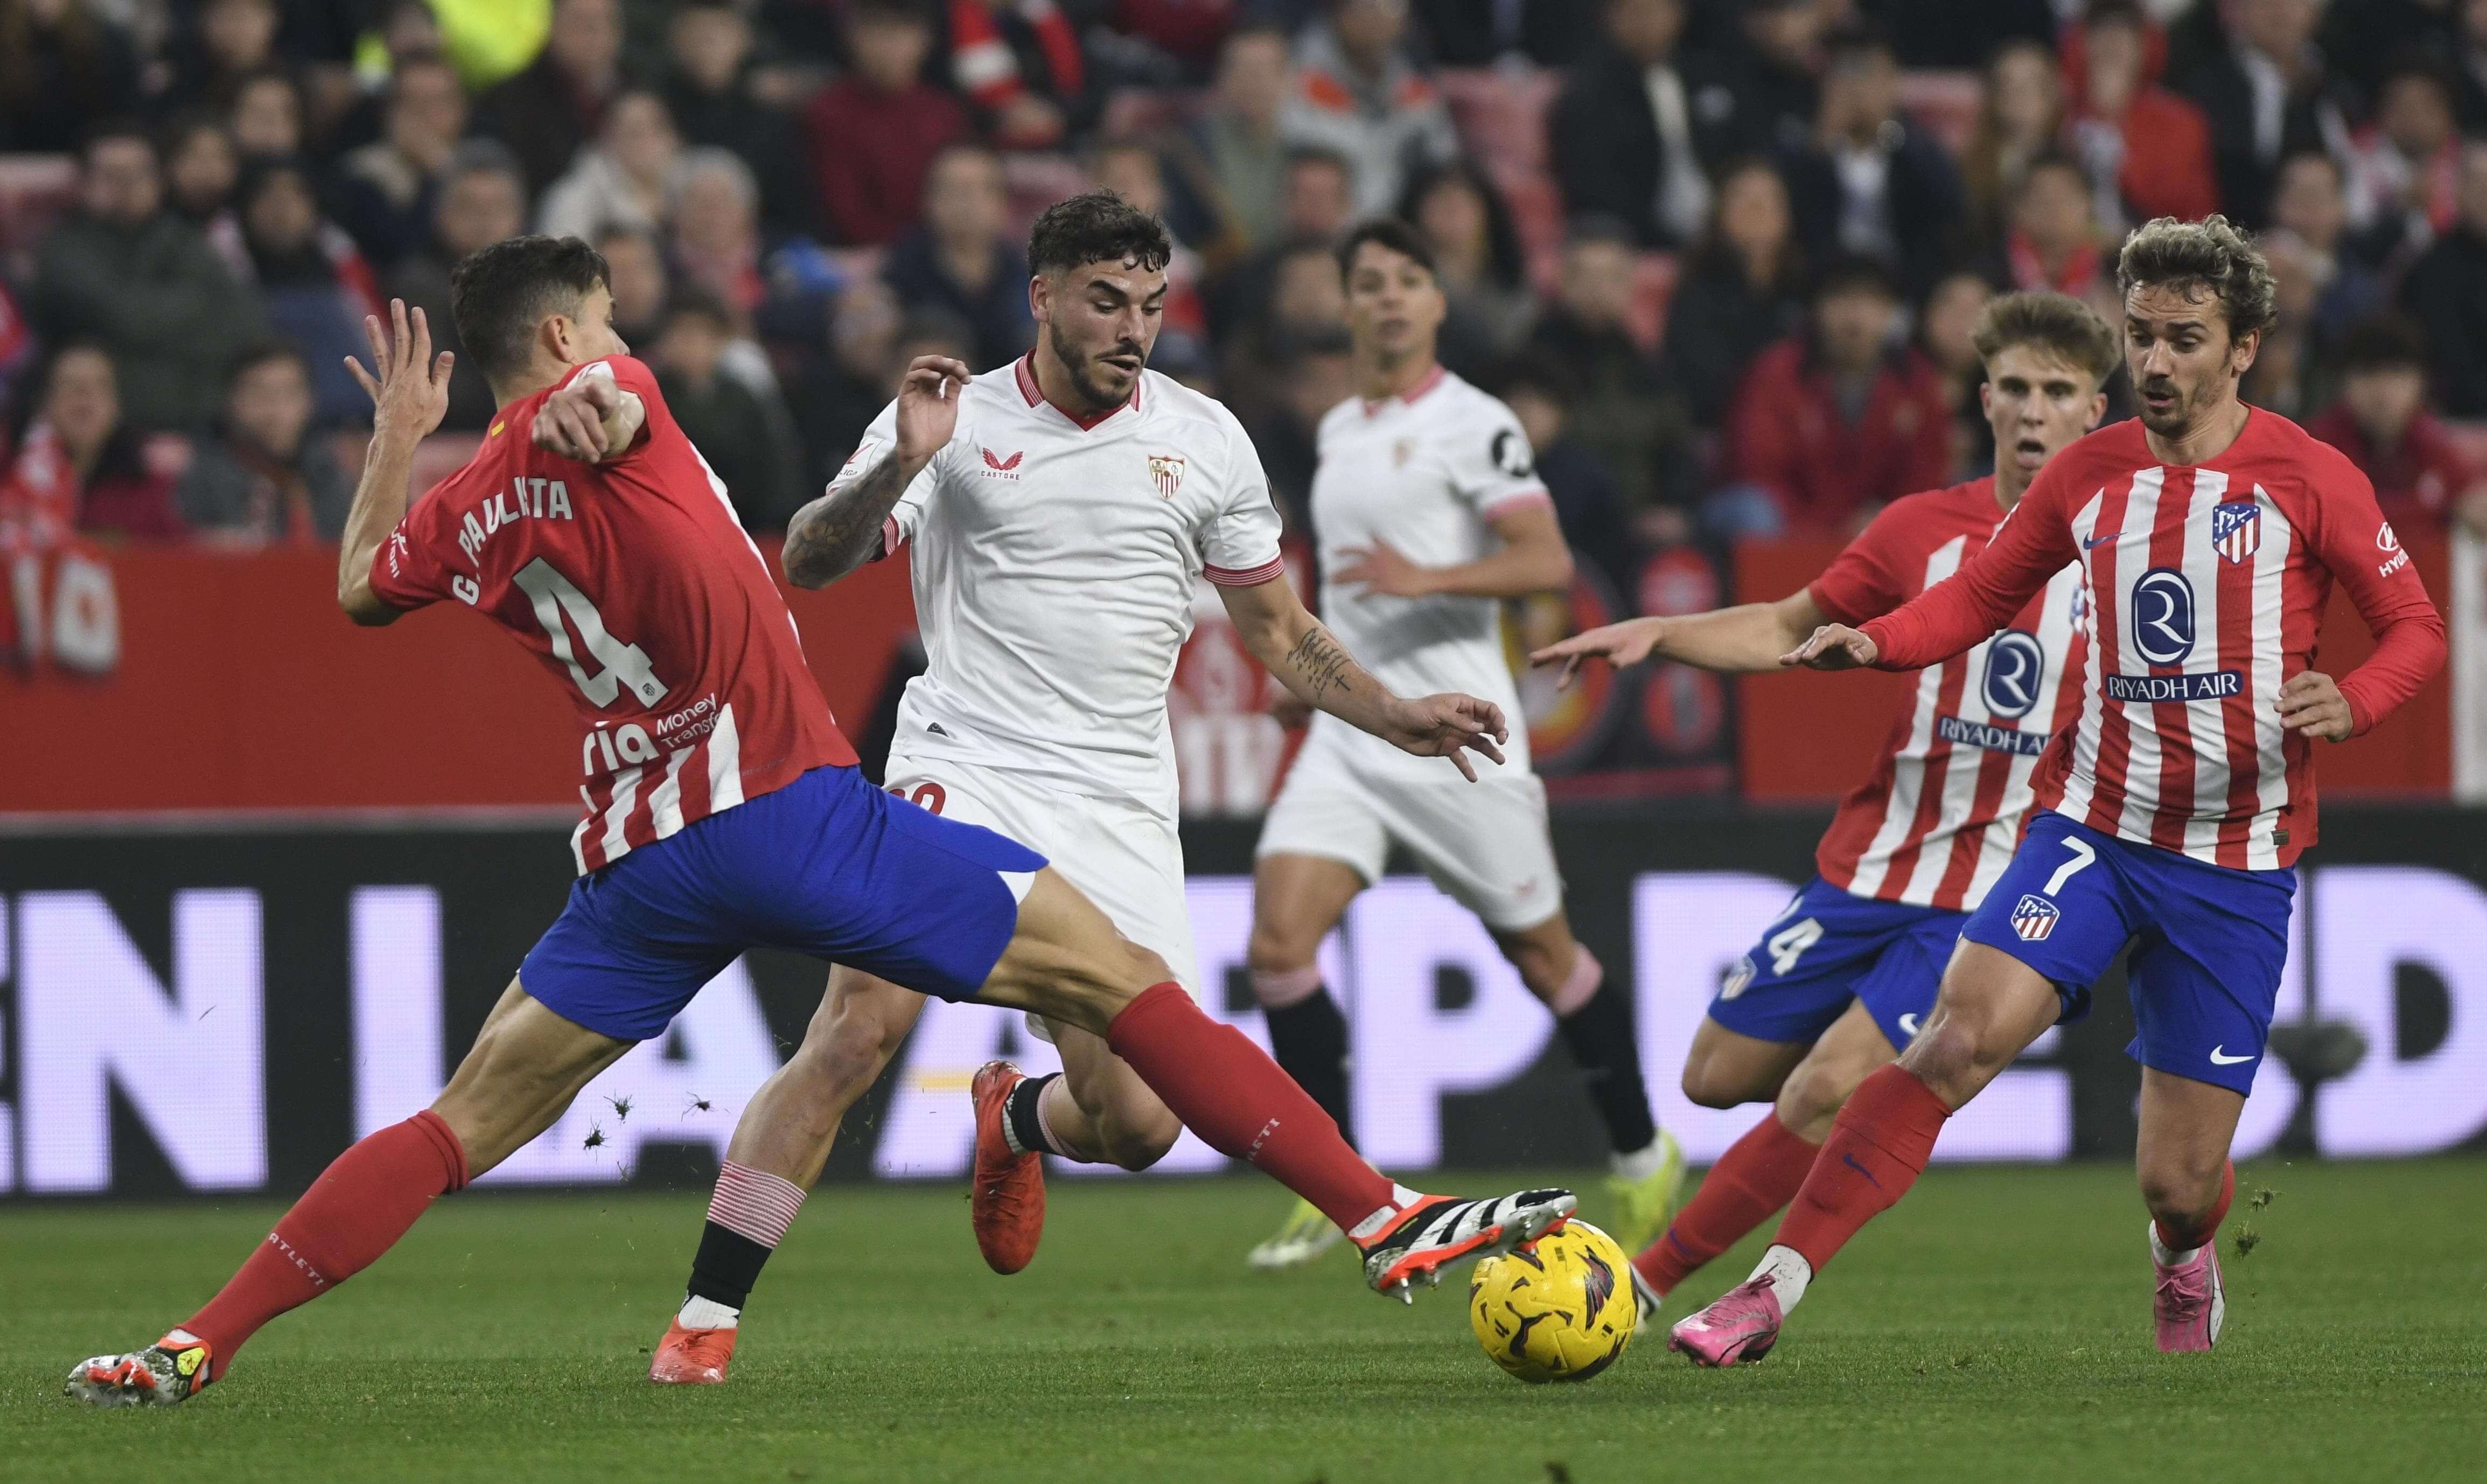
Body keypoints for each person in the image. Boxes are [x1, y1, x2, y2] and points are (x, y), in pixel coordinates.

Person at [65, 236, 1570, 1408]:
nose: (624, 342)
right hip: (787, 811)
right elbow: (595, 410)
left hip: (641, 855)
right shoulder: (615, 396)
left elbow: (357, 586)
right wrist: (584, 405)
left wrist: (403, 431)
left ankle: (196, 1342)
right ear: (562, 337)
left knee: (461, 1121)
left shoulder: (465, 504)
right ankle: (1383, 1219)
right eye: (605, 318)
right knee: (1119, 982)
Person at [638, 193, 1570, 1385]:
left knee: (1135, 1125)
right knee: (857, 1028)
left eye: (1149, 304)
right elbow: (808, 561)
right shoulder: (952, 415)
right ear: (1041, 298)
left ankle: (1015, 1116)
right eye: (1103, 301)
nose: (1132, 327)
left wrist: (1393, 714)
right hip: (964, 765)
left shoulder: (1206, 438)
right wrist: (897, 470)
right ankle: (704, 1322)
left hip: (1119, 800)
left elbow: (1276, 627)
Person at [1669, 215, 2446, 1367]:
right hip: (2088, 828)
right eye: (2140, 336)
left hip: (2232, 862)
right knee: (1951, 1042)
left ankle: (2180, 1255)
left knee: (2176, 1181)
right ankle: (1767, 1289)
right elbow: (1976, 597)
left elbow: (2413, 629)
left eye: (2184, 339)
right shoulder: (2089, 471)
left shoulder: (2305, 475)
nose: (2156, 363)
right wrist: (1873, 641)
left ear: (2242, 350)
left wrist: (2356, 700)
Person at [1532, 290, 2119, 1318]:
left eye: (2057, 392)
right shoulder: (1916, 531)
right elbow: (1782, 626)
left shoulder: (2125, 549)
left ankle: (1639, 1284)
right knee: (1713, 1077)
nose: (2033, 411)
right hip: (1871, 865)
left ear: (2093, 413)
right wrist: (1656, 635)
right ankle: (1866, 1107)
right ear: (1983, 399)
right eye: (2017, 388)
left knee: (1821, 1083)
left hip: (1993, 891)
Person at [1241, 219, 1686, 1271]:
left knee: (1546, 958)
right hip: (1357, 733)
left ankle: (1641, 1151)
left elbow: (1543, 557)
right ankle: (1336, 1182)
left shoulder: (1474, 422)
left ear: (1437, 303)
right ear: (1344, 305)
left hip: (1463, 732)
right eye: (1367, 284)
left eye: (1407, 282)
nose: (1388, 299)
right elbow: (1346, 588)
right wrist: (1318, 691)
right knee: (1276, 945)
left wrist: (1427, 579)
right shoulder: (1340, 429)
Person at [26, 121, 267, 433]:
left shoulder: (185, 240)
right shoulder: (63, 250)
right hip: (112, 434)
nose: (126, 185)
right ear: (84, 183)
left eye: (139, 173)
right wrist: (195, 308)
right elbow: (125, 317)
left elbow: (245, 323)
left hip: (205, 429)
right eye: (111, 175)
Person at [1722, 254, 1954, 536]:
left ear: (1891, 313)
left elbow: (1928, 476)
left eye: (1871, 301)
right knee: (1754, 510)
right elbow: (1759, 472)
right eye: (1839, 299)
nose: (1854, 318)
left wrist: (1888, 518)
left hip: (1880, 537)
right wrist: (1832, 527)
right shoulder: (1777, 372)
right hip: (1794, 530)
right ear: (1816, 310)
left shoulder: (1915, 380)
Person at [1777, 20, 1966, 299]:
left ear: (1892, 82)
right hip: (1824, 290)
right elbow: (1793, 219)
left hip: (1905, 291)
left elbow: (1950, 205)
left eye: (1869, 74)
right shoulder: (1801, 144)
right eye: (1846, 73)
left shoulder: (1912, 143)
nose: (1857, 87)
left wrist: (1886, 129)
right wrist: (1821, 145)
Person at [1550, 0, 1725, 250]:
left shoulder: (1708, 76)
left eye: (1661, 10)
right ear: (1611, 17)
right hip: (1639, 237)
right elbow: (1595, 188)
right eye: (1638, 12)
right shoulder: (1587, 96)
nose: (1650, 23)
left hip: (1718, 229)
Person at [804, 0, 968, 247]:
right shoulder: (828, 114)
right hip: (864, 258)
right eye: (876, 29)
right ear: (852, 37)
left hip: (944, 253)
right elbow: (847, 215)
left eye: (903, 30)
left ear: (926, 39)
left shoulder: (945, 113)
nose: (889, 45)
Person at [388, 145, 529, 433]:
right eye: (469, 207)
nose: (485, 220)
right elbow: (447, 392)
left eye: (498, 208)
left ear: (521, 214)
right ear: (441, 213)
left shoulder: (541, 284)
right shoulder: (417, 284)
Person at [1659, 157, 1807, 431]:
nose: (1757, 208)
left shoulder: (1806, 288)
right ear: (1719, 214)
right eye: (1743, 198)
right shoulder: (1697, 292)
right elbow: (1699, 386)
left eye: (1769, 199)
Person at [2308, 314, 2487, 536]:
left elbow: (2473, 502)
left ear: (2421, 382)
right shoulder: (2318, 444)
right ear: (2344, 382)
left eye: (2397, 374)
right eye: (2369, 374)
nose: (2383, 393)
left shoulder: (2429, 439)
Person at [2183, 0, 2356, 229]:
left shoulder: (2338, 89)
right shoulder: (2206, 90)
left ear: (2315, 13)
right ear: (2235, 11)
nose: (2280, 11)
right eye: (2265, 2)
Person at [1280, 0, 1458, 219]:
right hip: (1325, 232)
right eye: (1365, 6)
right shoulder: (1299, 82)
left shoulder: (1414, 88)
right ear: (1338, 13)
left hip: (1405, 231)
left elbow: (1445, 163)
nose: (1377, 16)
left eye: (1391, 6)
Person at [649, 288, 802, 531]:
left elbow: (774, 467)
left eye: (702, 334)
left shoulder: (742, 396)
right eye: (681, 332)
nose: (692, 344)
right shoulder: (652, 396)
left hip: (747, 523)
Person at [2064, 0, 2220, 236]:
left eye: (2124, 36)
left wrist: (2113, 120)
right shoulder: (2060, 114)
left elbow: (2189, 208)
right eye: (2101, 33)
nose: (2112, 44)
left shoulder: (2179, 121)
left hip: (2154, 249)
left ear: (2145, 47)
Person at [177, 342, 354, 543]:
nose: (276, 412)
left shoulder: (327, 471)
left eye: (290, 394)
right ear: (230, 401)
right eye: (260, 394)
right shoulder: (197, 475)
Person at [883, 142, 1037, 372]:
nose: (967, 203)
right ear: (928, 200)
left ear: (1003, 204)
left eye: (979, 190)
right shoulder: (899, 273)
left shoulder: (1026, 274)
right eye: (953, 190)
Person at [6, 342, 183, 541]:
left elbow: (176, 556)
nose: (85, 396)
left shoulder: (146, 487)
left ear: (117, 406)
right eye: (70, 385)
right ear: (45, 402)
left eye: (100, 385)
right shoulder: (11, 476)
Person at [333, 52, 471, 269]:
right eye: (415, 104)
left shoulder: (486, 166)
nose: (428, 115)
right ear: (391, 111)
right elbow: (396, 257)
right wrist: (436, 176)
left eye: (440, 102)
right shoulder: (362, 174)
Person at [474, 0, 627, 194]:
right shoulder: (508, 103)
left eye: (604, 21)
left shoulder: (635, 97)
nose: (593, 32)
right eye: (580, 21)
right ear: (552, 26)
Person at [2397, 141, 2487, 416]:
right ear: (2458, 192)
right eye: (2479, 185)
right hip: (2462, 421)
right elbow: (2450, 362)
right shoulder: (2432, 270)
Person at [535, 88, 681, 245]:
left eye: (657, 128)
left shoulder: (692, 188)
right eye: (634, 132)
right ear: (607, 138)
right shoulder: (573, 200)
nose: (647, 141)